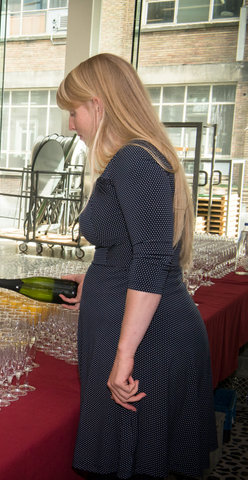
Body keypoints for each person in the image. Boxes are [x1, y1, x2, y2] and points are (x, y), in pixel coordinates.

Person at [56, 53, 216, 480]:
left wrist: (124, 355)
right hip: (138, 329)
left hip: (147, 341)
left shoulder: (134, 159)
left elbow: (152, 257)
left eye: (74, 112)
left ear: (98, 104)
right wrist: (94, 280)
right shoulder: (137, 158)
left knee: (134, 464)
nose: (71, 124)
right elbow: (131, 247)